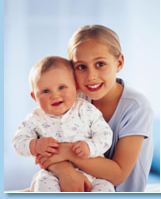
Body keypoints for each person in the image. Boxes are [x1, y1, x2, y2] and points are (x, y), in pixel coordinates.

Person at [35, 25, 154, 192]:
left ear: (119, 63)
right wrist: (64, 170)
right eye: (81, 67)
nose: (91, 76)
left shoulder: (137, 108)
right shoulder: (75, 99)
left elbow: (118, 174)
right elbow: (46, 152)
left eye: (100, 64)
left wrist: (67, 152)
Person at [12, 55, 114, 192]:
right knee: (42, 183)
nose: (54, 95)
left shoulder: (86, 109)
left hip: (92, 174)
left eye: (62, 87)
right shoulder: (35, 117)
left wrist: (90, 147)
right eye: (45, 91)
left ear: (76, 88)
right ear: (34, 97)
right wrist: (36, 145)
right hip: (52, 174)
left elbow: (105, 134)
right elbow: (18, 141)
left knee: (106, 188)